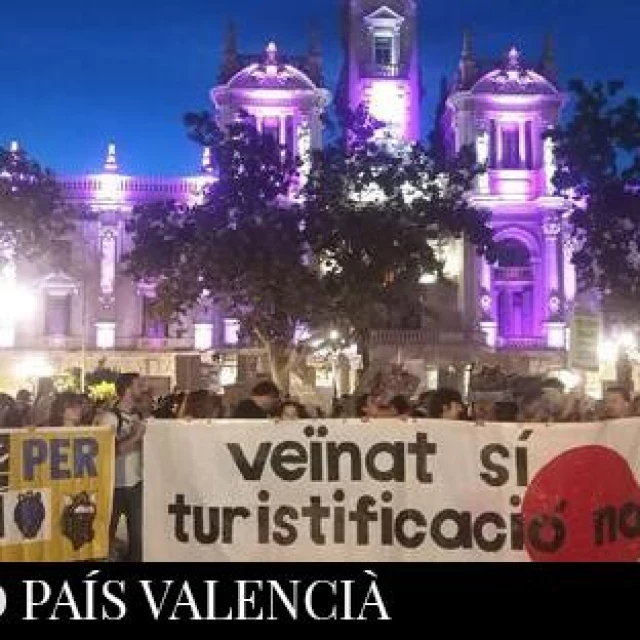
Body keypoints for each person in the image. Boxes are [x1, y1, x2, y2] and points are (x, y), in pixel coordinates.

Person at [97, 373, 146, 562]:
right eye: (138, 385)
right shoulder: (109, 418)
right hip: (114, 485)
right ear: (127, 390)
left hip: (136, 483)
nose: (142, 389)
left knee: (139, 538)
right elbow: (107, 451)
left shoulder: (136, 416)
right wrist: (135, 437)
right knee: (105, 536)